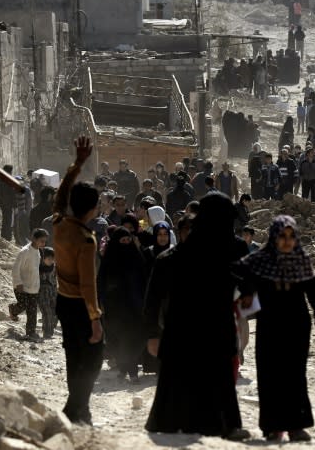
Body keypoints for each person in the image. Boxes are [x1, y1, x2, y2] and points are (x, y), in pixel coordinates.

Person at [144, 193, 251, 441]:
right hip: (189, 329)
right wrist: (151, 334)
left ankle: (219, 423)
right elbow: (152, 300)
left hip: (208, 328)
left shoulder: (224, 253)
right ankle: (205, 423)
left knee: (219, 376)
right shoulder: (174, 259)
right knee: (189, 377)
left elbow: (247, 285)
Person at [237, 216, 315, 442]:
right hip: (270, 324)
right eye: (282, 236)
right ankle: (272, 426)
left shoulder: (301, 260)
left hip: (297, 325)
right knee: (270, 375)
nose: (287, 241)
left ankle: (296, 426)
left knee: (295, 375)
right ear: (274, 237)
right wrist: (248, 292)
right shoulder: (260, 260)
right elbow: (240, 273)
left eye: (291, 236)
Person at [52, 137, 103, 425]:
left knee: (73, 355)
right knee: (94, 356)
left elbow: (60, 196)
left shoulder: (59, 224)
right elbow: (88, 284)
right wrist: (95, 318)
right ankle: (77, 407)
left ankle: (78, 409)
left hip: (63, 302)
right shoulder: (86, 239)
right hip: (82, 306)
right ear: (92, 209)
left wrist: (78, 164)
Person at [98, 226, 147, 382]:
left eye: (128, 240)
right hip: (115, 308)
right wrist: (100, 302)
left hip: (135, 307)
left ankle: (130, 369)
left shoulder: (137, 258)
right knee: (117, 339)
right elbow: (101, 283)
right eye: (122, 241)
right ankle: (125, 368)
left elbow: (145, 280)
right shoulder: (109, 261)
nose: (126, 243)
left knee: (133, 338)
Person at [10, 228, 49, 340]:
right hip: (22, 285)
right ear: (34, 239)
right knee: (23, 304)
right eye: (41, 241)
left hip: (33, 287)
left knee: (32, 311)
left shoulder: (38, 251)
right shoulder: (25, 252)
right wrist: (18, 283)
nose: (43, 243)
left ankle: (30, 333)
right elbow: (15, 269)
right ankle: (13, 309)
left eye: (44, 241)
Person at [38, 246, 58, 339]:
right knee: (47, 311)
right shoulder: (38, 268)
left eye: (53, 259)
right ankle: (47, 332)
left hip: (53, 292)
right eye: (49, 259)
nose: (51, 261)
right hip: (42, 293)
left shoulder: (54, 268)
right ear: (43, 258)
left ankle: (50, 329)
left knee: (55, 312)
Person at [0, 164, 17, 241]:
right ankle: (7, 238)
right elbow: (12, 194)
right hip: (8, 204)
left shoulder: (0, 181)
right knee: (8, 221)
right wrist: (15, 205)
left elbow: (0, 194)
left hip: (3, 204)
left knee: (5, 220)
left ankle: (4, 237)